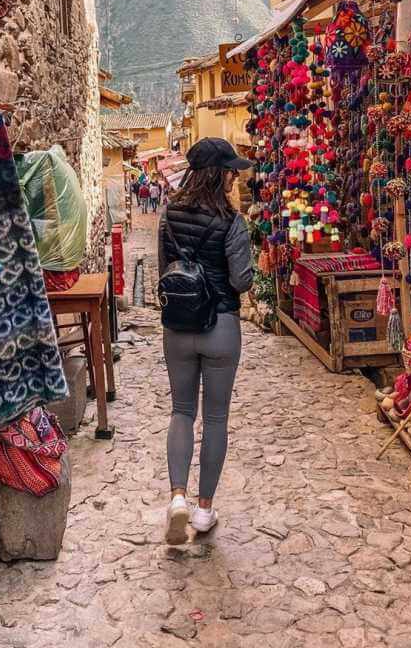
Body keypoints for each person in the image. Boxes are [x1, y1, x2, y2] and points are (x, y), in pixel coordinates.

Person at [157, 137, 253, 544]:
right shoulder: (233, 222)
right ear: (219, 174)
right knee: (215, 419)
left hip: (178, 327)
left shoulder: (168, 215)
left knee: (181, 412)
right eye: (231, 169)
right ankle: (204, 509)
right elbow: (241, 280)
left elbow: (165, 269)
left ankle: (177, 497)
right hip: (221, 327)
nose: (235, 176)